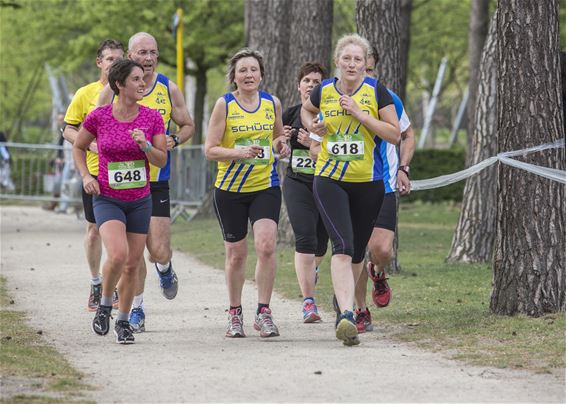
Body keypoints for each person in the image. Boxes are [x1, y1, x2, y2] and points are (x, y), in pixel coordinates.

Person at [301, 34, 400, 346]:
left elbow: (394, 134)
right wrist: (314, 126)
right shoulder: (325, 89)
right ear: (337, 62)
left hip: (369, 183)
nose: (352, 64)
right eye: (347, 59)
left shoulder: (376, 91)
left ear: (364, 63)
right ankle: (346, 315)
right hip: (330, 178)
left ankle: (345, 305)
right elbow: (307, 110)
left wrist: (359, 113)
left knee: (358, 251)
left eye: (358, 60)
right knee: (342, 245)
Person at [98, 32, 195, 333]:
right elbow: (94, 129)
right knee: (133, 252)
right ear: (130, 54)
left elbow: (188, 125)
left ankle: (165, 269)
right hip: (123, 184)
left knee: (158, 250)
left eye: (153, 52)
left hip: (156, 179)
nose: (149, 58)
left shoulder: (169, 88)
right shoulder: (112, 90)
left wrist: (174, 139)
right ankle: (136, 308)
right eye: (142, 53)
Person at [73, 58, 167, 344]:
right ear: (119, 84)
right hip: (108, 198)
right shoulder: (99, 116)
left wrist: (146, 145)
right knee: (117, 254)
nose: (142, 84)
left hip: (140, 199)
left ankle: (123, 322)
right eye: (136, 79)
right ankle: (104, 305)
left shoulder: (152, 118)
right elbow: (78, 146)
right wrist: (86, 176)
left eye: (143, 79)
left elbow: (161, 159)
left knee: (132, 264)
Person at [204, 48, 290, 338]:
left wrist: (281, 146)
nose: (249, 75)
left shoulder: (271, 103)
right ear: (234, 77)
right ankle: (234, 312)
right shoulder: (224, 105)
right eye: (243, 70)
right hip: (230, 190)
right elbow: (210, 150)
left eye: (253, 70)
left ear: (261, 74)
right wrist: (237, 152)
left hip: (265, 185)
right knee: (237, 255)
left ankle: (264, 311)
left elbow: (277, 136)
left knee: (266, 246)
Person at [353, 46, 416, 333]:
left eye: (369, 69)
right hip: (348, 185)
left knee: (382, 249)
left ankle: (377, 271)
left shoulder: (387, 99)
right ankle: (360, 309)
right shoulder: (335, 98)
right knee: (353, 250)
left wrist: (403, 167)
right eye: (357, 67)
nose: (363, 74)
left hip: (384, 185)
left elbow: (408, 134)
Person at [62, 39, 124, 311]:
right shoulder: (85, 93)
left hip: (124, 173)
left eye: (119, 60)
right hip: (95, 171)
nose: (114, 64)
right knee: (95, 230)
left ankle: (116, 286)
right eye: (110, 59)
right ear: (100, 62)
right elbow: (67, 129)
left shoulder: (131, 91)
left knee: (120, 232)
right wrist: (90, 143)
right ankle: (96, 282)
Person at [281, 62, 329, 323]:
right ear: (299, 85)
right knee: (305, 237)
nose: (311, 85)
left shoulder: (330, 115)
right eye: (307, 81)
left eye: (317, 82)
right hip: (297, 183)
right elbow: (275, 146)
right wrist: (282, 142)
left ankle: (314, 268)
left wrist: (313, 142)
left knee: (321, 244)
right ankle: (309, 302)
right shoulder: (289, 114)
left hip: (327, 183)